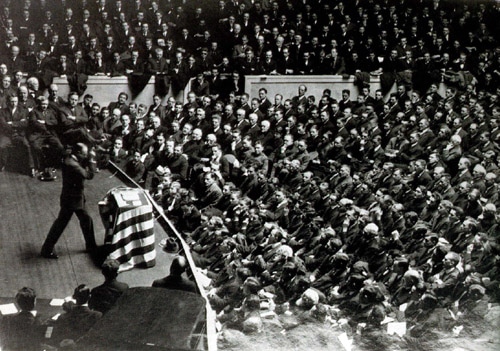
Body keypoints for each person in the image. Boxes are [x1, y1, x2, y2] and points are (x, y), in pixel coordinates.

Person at [41, 143, 97, 258]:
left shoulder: (70, 158)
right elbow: (89, 175)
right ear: (78, 153)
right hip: (73, 200)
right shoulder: (72, 164)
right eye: (85, 154)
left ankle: (90, 246)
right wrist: (92, 160)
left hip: (73, 197)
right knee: (62, 224)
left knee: (85, 220)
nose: (86, 156)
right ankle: (46, 250)